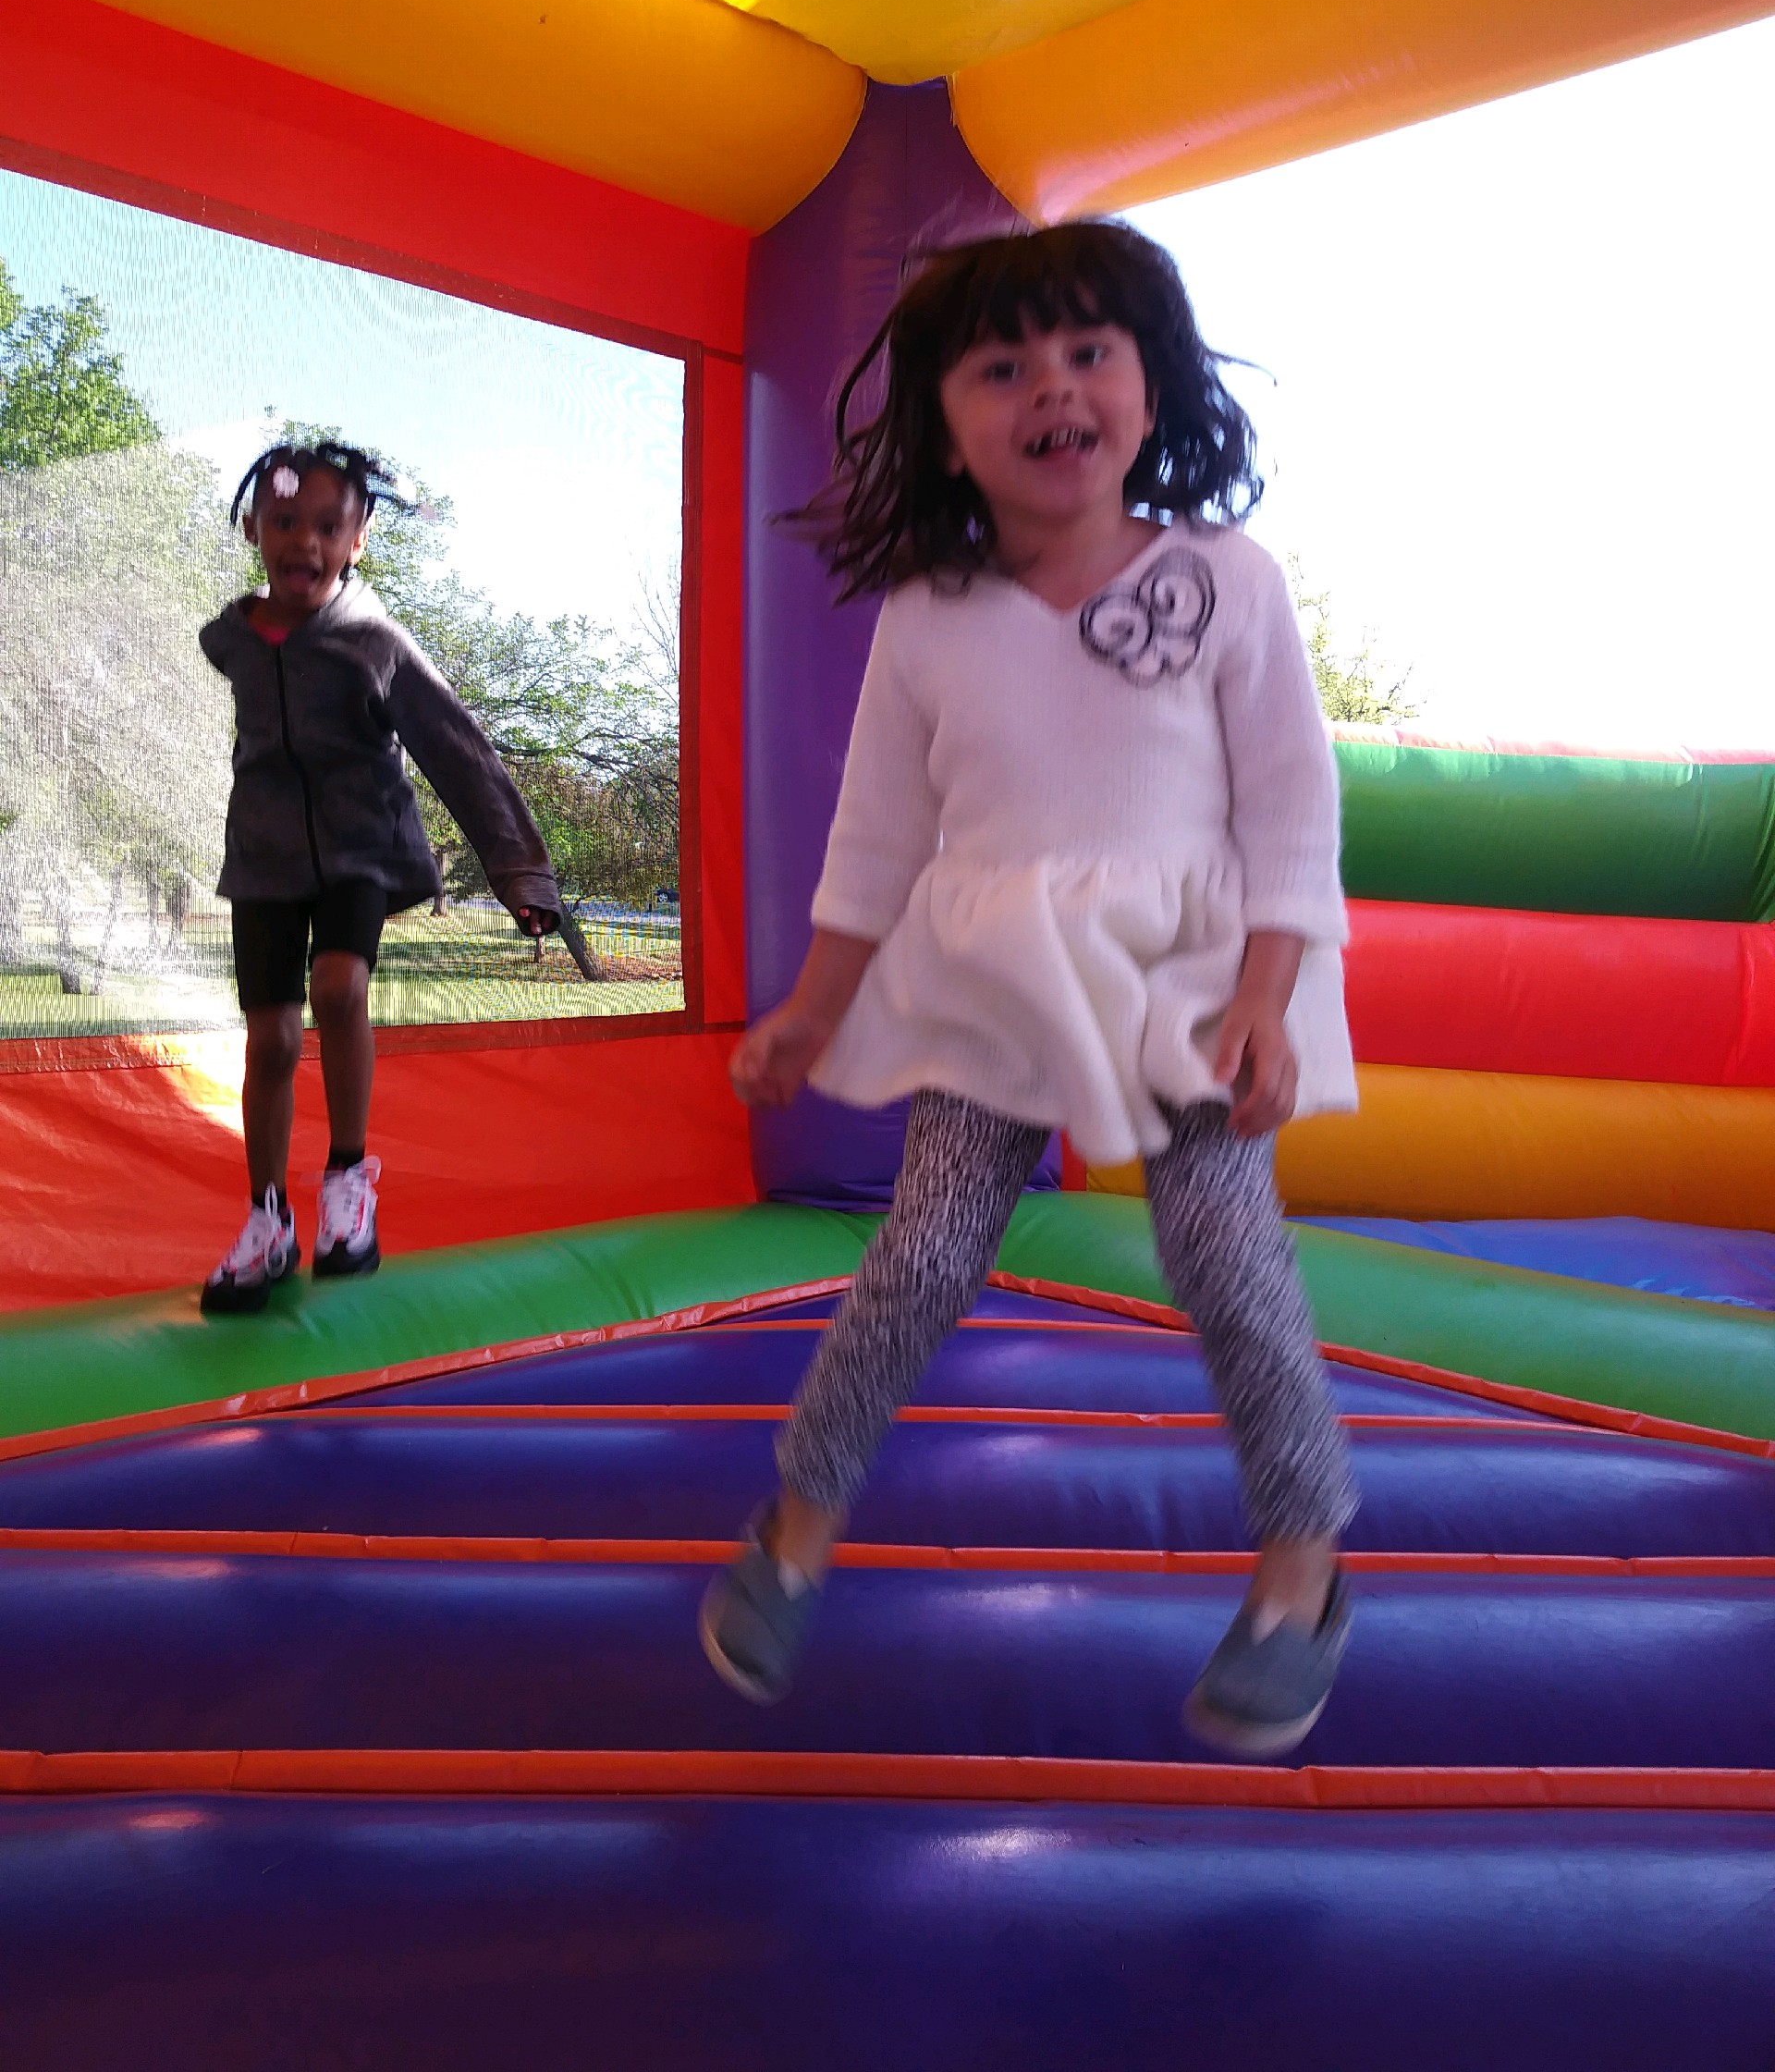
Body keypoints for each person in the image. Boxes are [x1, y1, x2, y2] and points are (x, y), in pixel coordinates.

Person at [701, 222, 1361, 1759]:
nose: (1050, 387)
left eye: (1087, 352)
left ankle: (1301, 1569)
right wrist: (811, 1006)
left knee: (1218, 1246)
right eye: (1002, 368)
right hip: (996, 979)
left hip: (1192, 980)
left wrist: (1270, 993)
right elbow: (878, 840)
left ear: (1150, 384)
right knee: (919, 1256)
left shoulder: (1223, 579)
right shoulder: (932, 616)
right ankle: (795, 1529)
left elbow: (1290, 811)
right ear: (943, 421)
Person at [197, 441, 562, 1315]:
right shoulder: (232, 639)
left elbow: (455, 746)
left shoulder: (375, 640)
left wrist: (519, 870)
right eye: (284, 522)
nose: (305, 542)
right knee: (272, 1042)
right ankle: (268, 1220)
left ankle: (347, 1185)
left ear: (358, 538)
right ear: (255, 530)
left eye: (328, 525)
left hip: (363, 844)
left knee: (341, 986)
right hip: (266, 858)